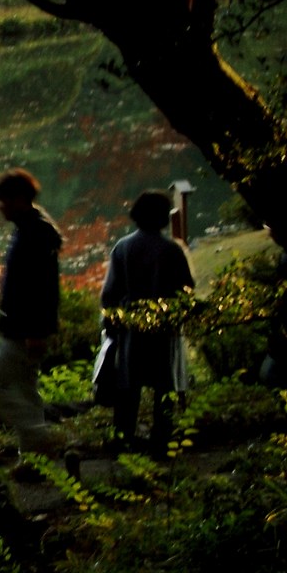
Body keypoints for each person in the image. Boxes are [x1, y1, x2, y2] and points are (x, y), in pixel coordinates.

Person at [96, 190, 196, 453]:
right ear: (164, 218)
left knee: (128, 388)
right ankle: (162, 440)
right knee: (165, 385)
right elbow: (187, 289)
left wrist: (111, 325)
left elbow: (109, 295)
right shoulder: (172, 250)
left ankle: (122, 438)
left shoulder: (123, 247)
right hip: (164, 330)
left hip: (132, 330)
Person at [0, 169, 64, 458]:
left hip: (23, 331)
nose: (0, 206)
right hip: (21, 328)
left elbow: (42, 288)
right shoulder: (29, 229)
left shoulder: (34, 234)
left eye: (4, 200)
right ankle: (35, 459)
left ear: (20, 199)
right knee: (27, 390)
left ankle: (39, 436)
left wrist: (36, 332)